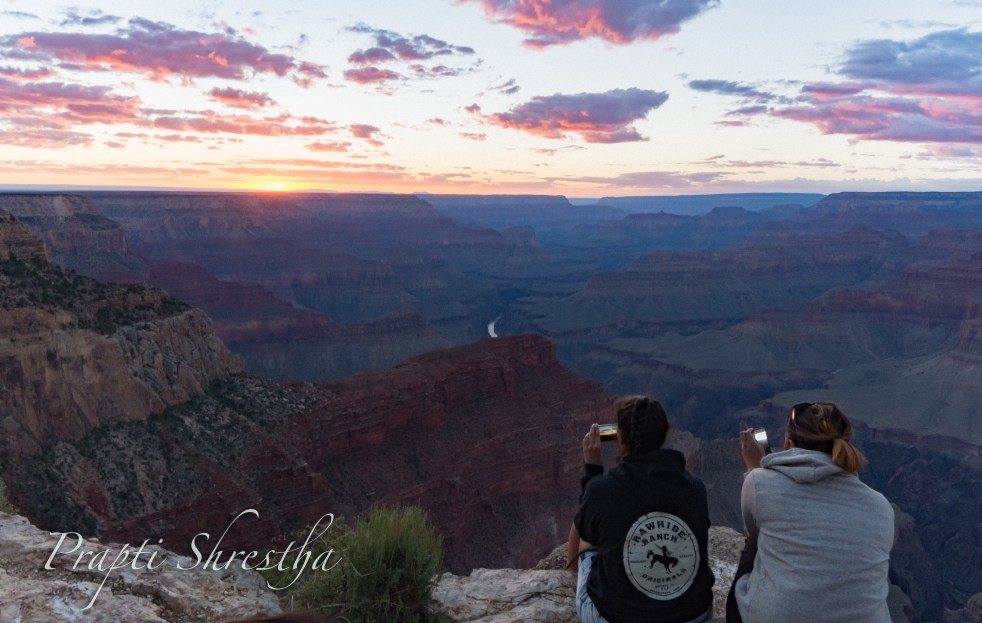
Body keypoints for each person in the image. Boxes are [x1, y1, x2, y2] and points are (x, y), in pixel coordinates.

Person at [727, 402, 894, 623]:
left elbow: (754, 534)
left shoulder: (759, 483)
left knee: (755, 545)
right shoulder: (881, 506)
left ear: (789, 444)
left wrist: (753, 469)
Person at [567, 396, 714, 623]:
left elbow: (586, 528)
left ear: (620, 437)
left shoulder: (602, 490)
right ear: (663, 434)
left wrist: (592, 472)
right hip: (693, 615)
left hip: (616, 618)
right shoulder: (695, 487)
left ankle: (566, 581)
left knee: (587, 543)